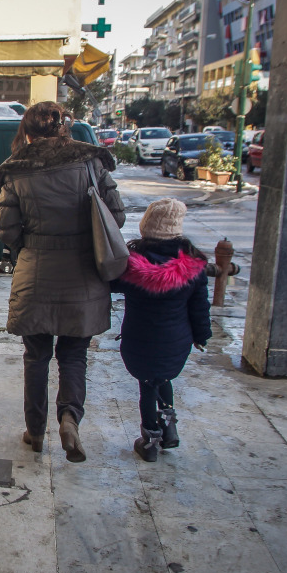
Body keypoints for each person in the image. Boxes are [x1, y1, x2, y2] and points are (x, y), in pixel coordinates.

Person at [0, 101, 125, 462]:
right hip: (84, 274)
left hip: (35, 274)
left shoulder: (17, 171)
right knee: (74, 355)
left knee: (36, 357)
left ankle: (35, 432)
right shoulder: (91, 163)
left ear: (29, 134)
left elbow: (5, 230)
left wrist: (27, 248)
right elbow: (117, 215)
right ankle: (69, 418)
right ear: (62, 130)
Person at [109, 198, 212, 462]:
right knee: (164, 378)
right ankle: (169, 424)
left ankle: (150, 438)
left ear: (146, 227)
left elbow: (108, 284)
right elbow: (200, 307)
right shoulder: (193, 266)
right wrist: (202, 336)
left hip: (139, 339)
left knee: (147, 385)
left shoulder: (131, 265)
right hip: (177, 341)